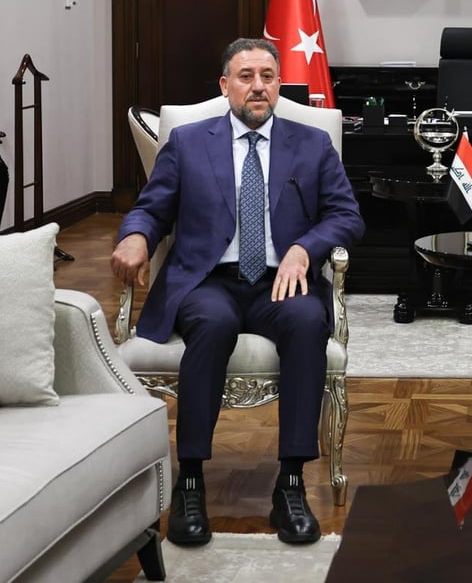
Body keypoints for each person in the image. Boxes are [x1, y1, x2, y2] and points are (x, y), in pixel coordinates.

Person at [111, 37, 365, 546]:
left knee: (308, 322)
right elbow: (151, 208)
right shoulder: (187, 142)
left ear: (279, 84)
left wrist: (305, 248)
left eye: (267, 77)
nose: (258, 87)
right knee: (212, 324)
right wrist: (136, 236)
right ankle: (190, 482)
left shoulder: (312, 144)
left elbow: (346, 216)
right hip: (209, 281)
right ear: (226, 85)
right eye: (246, 76)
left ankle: (290, 484)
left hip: (282, 281)